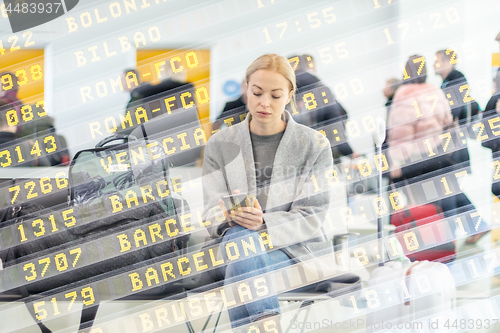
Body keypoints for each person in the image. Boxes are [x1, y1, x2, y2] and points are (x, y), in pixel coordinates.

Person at [202, 54, 334, 329]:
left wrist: (264, 223)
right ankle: (267, 322)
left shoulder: (314, 145)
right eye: (257, 92)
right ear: (245, 89)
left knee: (241, 269)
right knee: (241, 239)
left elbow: (312, 215)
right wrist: (233, 218)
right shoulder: (220, 143)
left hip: (293, 252)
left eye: (275, 95)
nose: (264, 103)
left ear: (289, 95)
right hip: (230, 247)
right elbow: (210, 211)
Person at [388, 55, 455, 218]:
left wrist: (396, 160)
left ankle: (422, 239)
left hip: (414, 159)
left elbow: (401, 132)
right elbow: (448, 120)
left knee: (417, 205)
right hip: (436, 155)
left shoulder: (404, 93)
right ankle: (439, 239)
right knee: (435, 205)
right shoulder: (434, 90)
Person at [434, 49, 484, 243]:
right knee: (451, 189)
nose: (434, 64)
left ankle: (451, 236)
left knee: (447, 190)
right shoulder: (450, 81)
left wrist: (446, 119)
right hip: (454, 145)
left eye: (437, 60)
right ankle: (477, 227)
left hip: (452, 146)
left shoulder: (455, 80)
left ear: (448, 62)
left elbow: (453, 110)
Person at [288, 54, 360, 162]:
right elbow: (335, 123)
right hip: (323, 154)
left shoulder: (282, 95)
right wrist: (349, 152)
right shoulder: (320, 90)